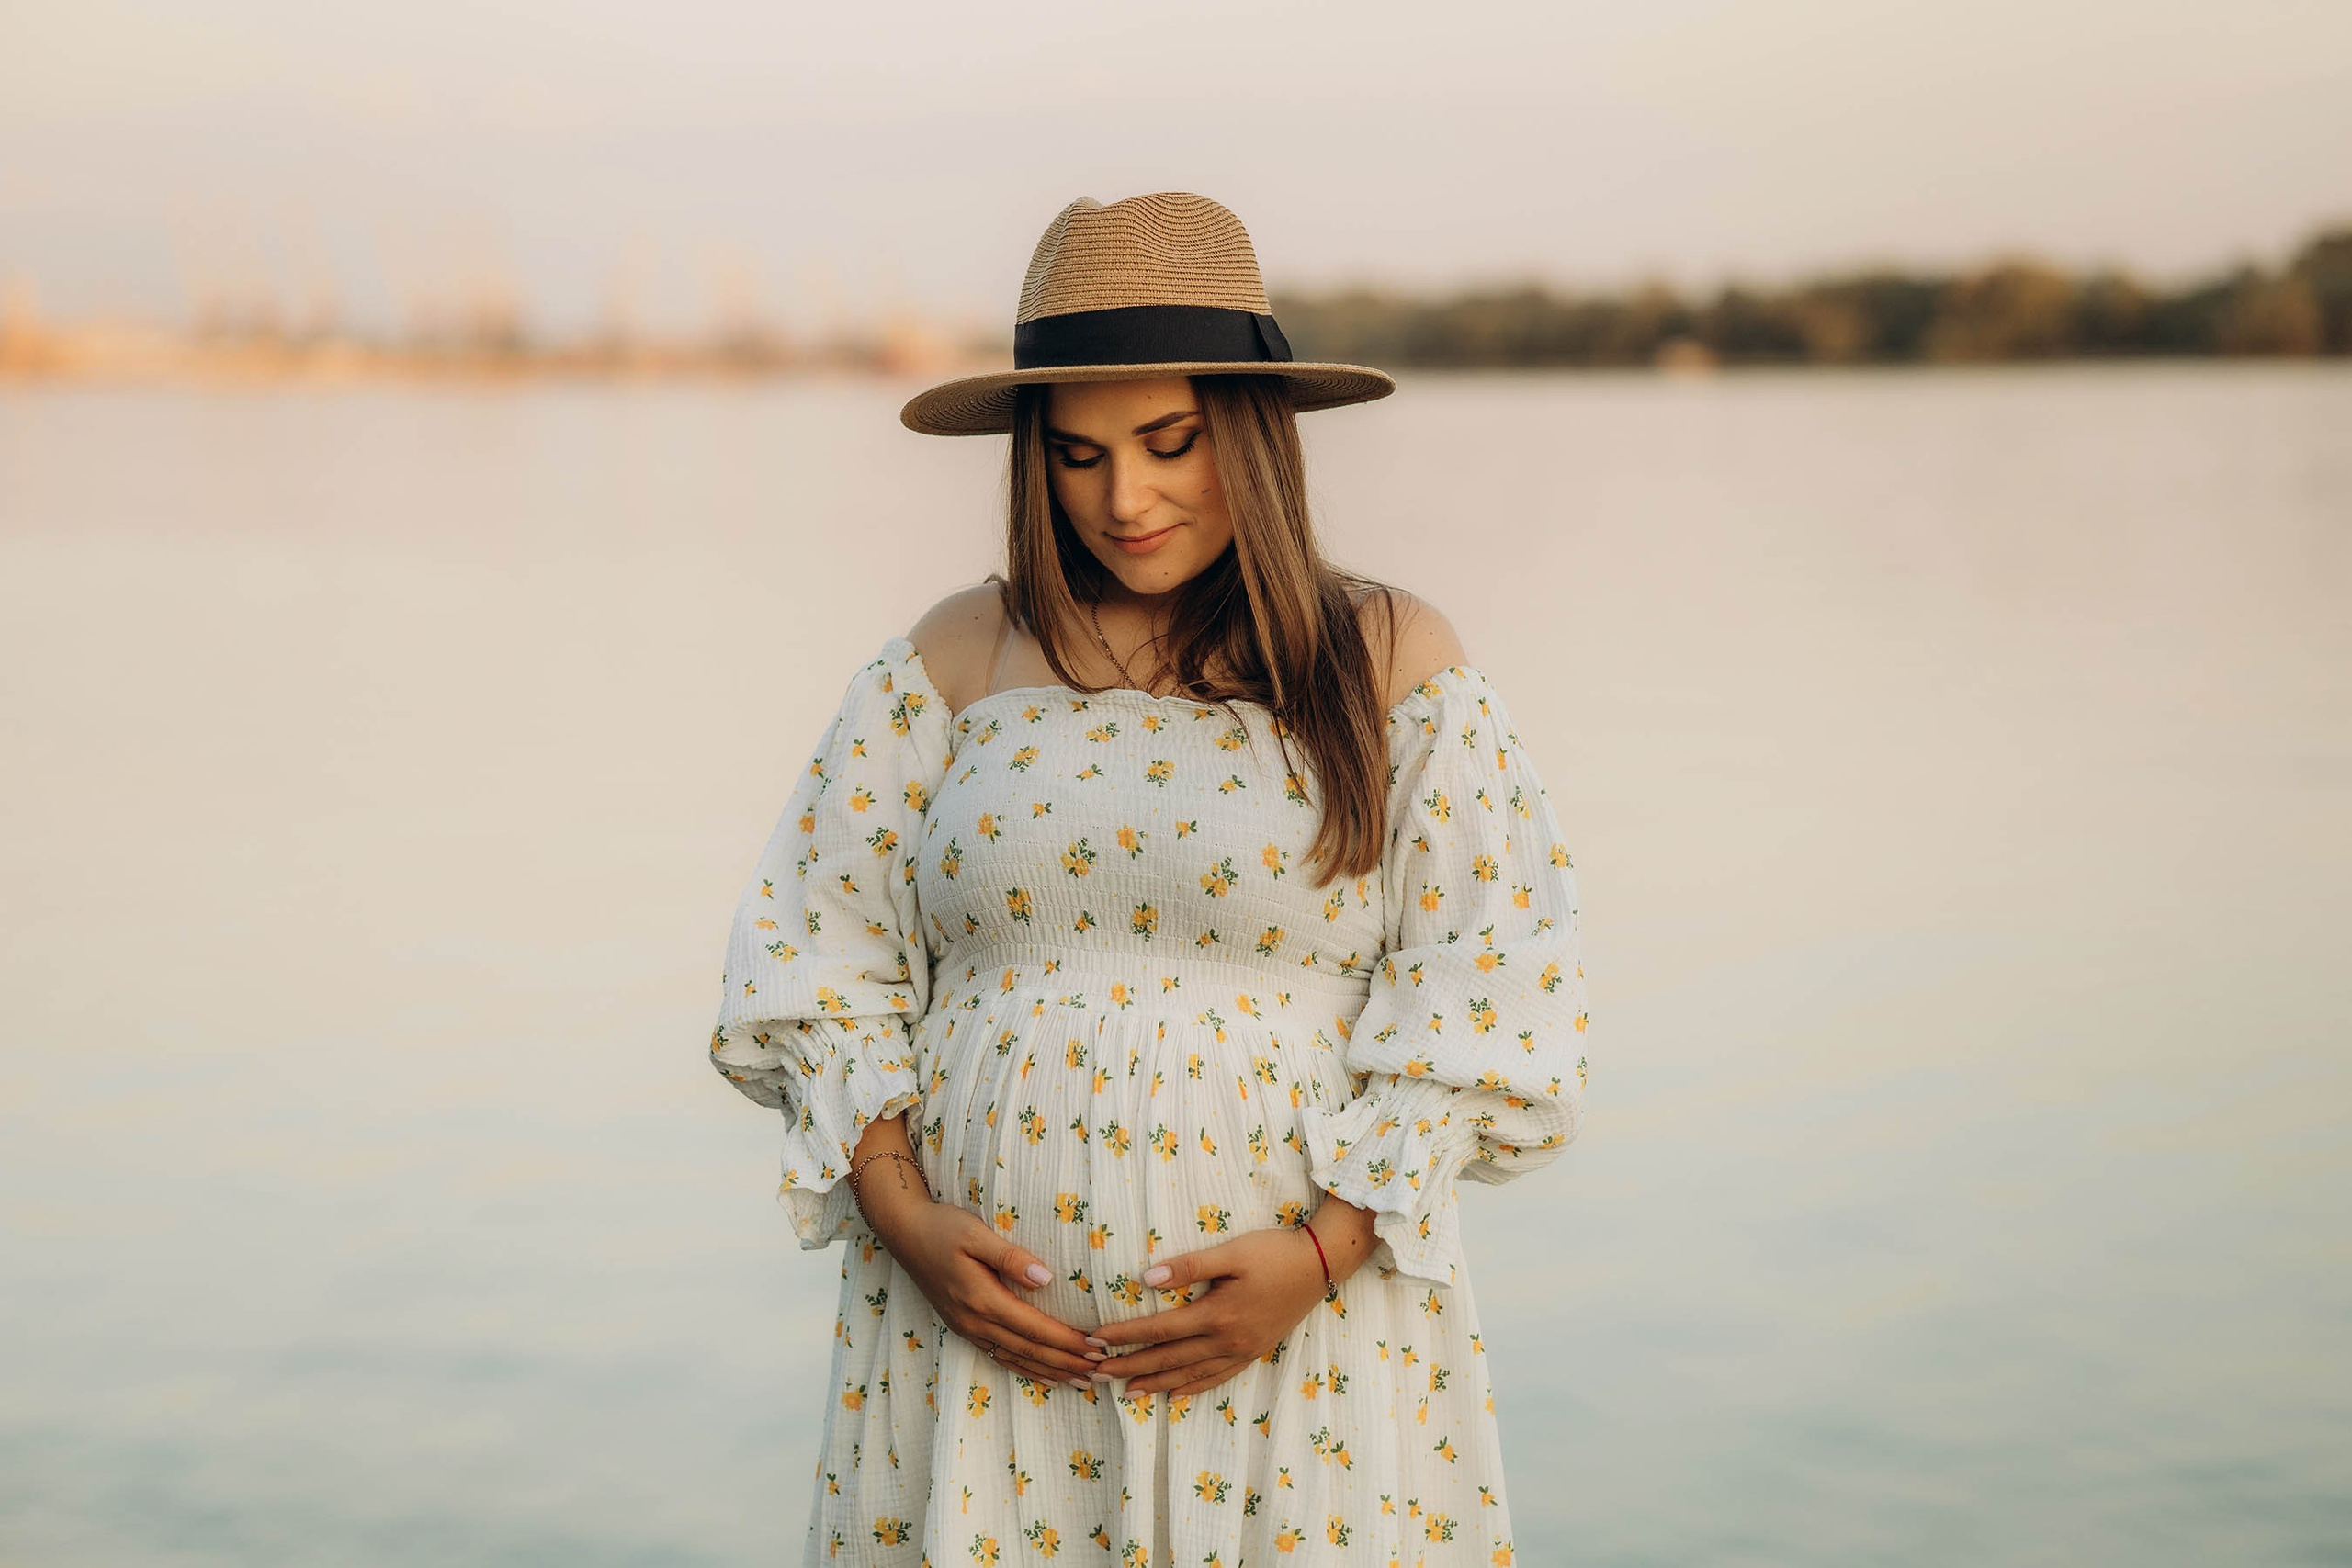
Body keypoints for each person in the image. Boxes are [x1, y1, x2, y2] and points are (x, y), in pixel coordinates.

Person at [708, 191, 1589, 1566]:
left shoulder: (1386, 657)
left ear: (1251, 430)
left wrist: (1317, 1257)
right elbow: (812, 960)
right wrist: (904, 1218)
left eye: (1170, 443)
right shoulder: (954, 658)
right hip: (979, 1354)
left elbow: (1496, 984)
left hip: (1308, 1347)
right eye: (1077, 455)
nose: (1125, 500)